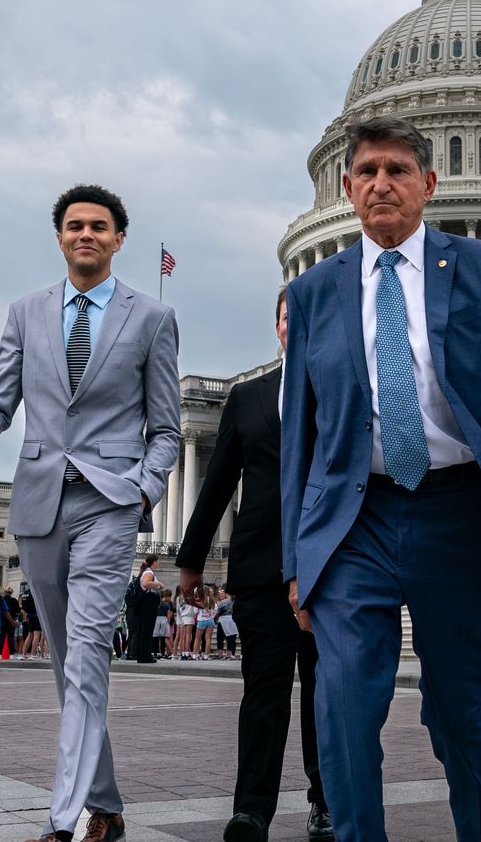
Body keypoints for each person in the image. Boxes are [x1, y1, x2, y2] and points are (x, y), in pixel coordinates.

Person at [280, 117, 481, 842]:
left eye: (398, 170)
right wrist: (295, 561)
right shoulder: (315, 291)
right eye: (368, 171)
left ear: (429, 185)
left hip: (459, 511)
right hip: (355, 518)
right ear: (346, 189)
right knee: (342, 701)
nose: (382, 183)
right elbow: (301, 438)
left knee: (459, 707)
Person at [0, 184, 179, 842]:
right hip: (40, 499)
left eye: (99, 225)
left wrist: (144, 490)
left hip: (109, 500)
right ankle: (107, 803)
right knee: (68, 656)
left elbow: (167, 428)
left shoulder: (150, 318)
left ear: (118, 238)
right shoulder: (24, 313)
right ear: (60, 236)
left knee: (90, 650)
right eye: (75, 225)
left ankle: (68, 814)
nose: (86, 234)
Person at [177, 287, 333, 842]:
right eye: (289, 317)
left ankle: (326, 799)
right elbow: (218, 482)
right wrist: (191, 561)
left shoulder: (345, 388)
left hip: (331, 565)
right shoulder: (248, 397)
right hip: (262, 566)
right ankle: (252, 809)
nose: (297, 325)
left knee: (325, 694)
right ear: (277, 328)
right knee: (264, 692)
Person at [128, 558, 162, 664]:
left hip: (144, 603)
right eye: (157, 561)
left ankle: (143, 654)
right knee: (147, 629)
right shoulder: (149, 572)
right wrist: (159, 584)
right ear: (154, 562)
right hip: (148, 602)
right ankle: (145, 655)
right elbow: (146, 583)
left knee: (144, 629)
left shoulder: (146, 571)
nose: (159, 563)